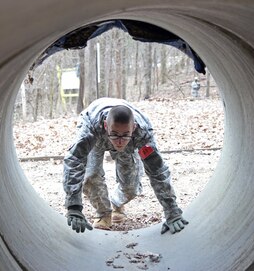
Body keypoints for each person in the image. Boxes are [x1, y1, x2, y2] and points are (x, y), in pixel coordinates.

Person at [63, 97, 188, 235]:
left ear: (133, 128)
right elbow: (74, 160)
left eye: (124, 135)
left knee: (131, 186)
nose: (120, 142)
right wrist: (73, 206)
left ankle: (116, 203)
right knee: (91, 175)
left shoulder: (142, 133)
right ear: (106, 126)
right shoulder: (90, 129)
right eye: (116, 135)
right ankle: (103, 212)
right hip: (97, 137)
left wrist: (172, 211)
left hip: (132, 141)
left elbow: (157, 169)